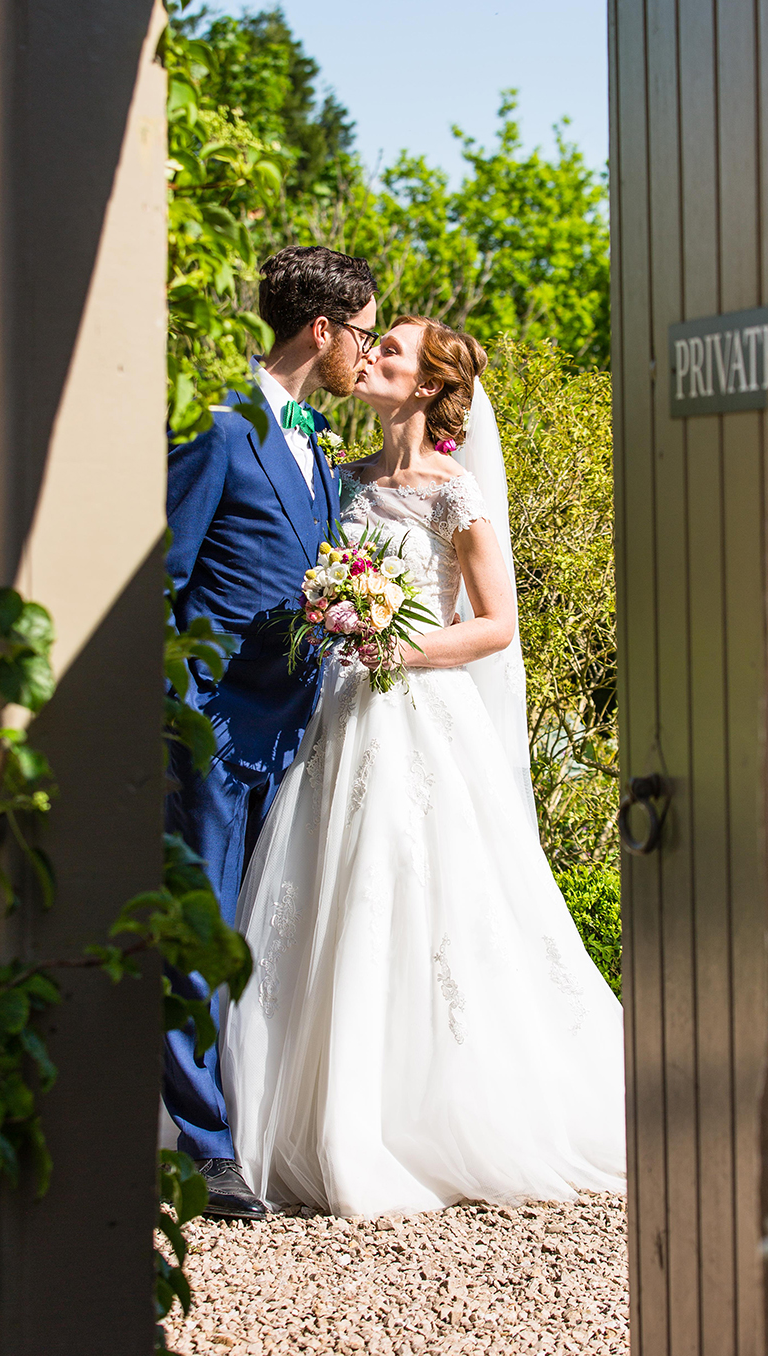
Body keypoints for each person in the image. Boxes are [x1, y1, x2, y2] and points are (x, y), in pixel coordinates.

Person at [219, 315, 626, 1217]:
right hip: (332, 716)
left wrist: (394, 645)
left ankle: (420, 1114)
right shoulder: (340, 479)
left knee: (416, 896)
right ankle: (296, 1113)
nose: (371, 356)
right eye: (376, 343)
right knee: (320, 894)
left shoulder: (456, 494)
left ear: (430, 386)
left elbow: (495, 626)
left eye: (392, 351)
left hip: (418, 715)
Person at [164, 245, 379, 1218]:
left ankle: (259, 1122)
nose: (364, 352)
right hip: (215, 728)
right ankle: (206, 1148)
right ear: (320, 329)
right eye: (361, 332)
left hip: (299, 729)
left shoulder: (316, 444)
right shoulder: (218, 426)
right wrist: (183, 708)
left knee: (267, 934)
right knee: (202, 931)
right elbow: (166, 578)